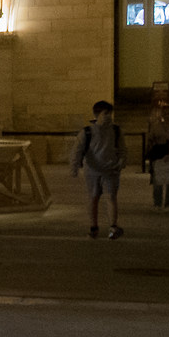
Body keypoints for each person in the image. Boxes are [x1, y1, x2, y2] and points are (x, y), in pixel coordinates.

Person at [69, 100, 125, 239]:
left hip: (111, 170)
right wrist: (74, 167)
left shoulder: (116, 130)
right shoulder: (87, 132)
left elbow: (123, 149)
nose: (109, 117)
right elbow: (77, 150)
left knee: (111, 197)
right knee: (93, 198)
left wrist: (121, 163)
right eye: (106, 114)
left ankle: (113, 226)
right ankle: (94, 227)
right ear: (97, 114)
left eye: (110, 114)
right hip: (93, 171)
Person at [143, 102, 169, 209]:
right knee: (157, 181)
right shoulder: (156, 126)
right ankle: (157, 203)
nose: (167, 115)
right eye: (165, 113)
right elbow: (150, 140)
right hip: (158, 155)